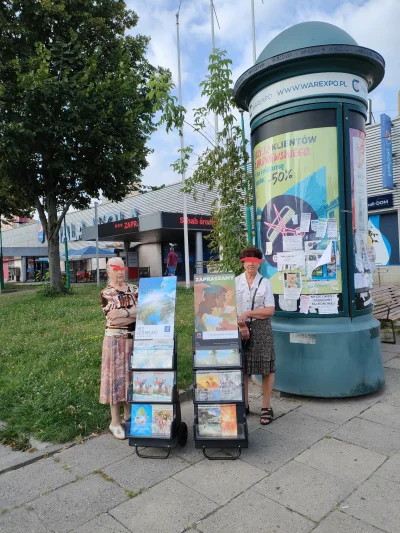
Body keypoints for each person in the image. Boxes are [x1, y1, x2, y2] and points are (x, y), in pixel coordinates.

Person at [236, 247, 276, 425]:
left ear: (259, 263)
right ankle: (244, 404)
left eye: (254, 261)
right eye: (247, 260)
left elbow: (270, 310)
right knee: (242, 367)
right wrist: (240, 322)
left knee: (266, 367)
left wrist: (249, 313)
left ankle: (266, 406)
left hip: (261, 329)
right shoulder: (235, 283)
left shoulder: (265, 283)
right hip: (239, 327)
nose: (250, 264)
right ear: (243, 262)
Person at [100, 257, 138, 439]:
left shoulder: (134, 289)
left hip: (134, 339)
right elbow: (112, 318)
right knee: (116, 379)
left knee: (131, 377)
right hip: (115, 342)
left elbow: (145, 310)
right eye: (116, 268)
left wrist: (125, 313)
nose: (121, 271)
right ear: (108, 271)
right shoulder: (106, 293)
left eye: (123, 267)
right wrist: (133, 313)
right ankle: (114, 422)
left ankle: (129, 416)